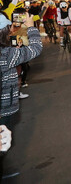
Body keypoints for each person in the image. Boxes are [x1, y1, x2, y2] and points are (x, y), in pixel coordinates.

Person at [0, 13, 42, 176]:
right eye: (9, 27)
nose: (12, 28)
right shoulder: (6, 54)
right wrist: (31, 27)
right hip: (3, 111)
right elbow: (36, 48)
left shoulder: (7, 51)